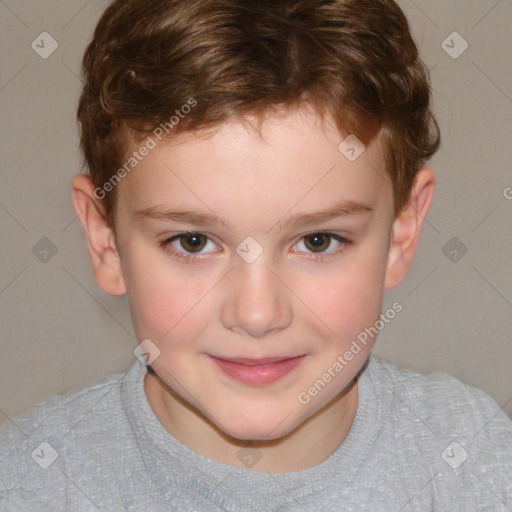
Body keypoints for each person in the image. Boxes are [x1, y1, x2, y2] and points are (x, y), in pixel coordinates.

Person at [1, 0, 511, 510]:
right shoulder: (30, 483)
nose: (257, 314)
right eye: (192, 242)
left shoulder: (474, 463)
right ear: (105, 241)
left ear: (401, 233)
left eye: (318, 241)